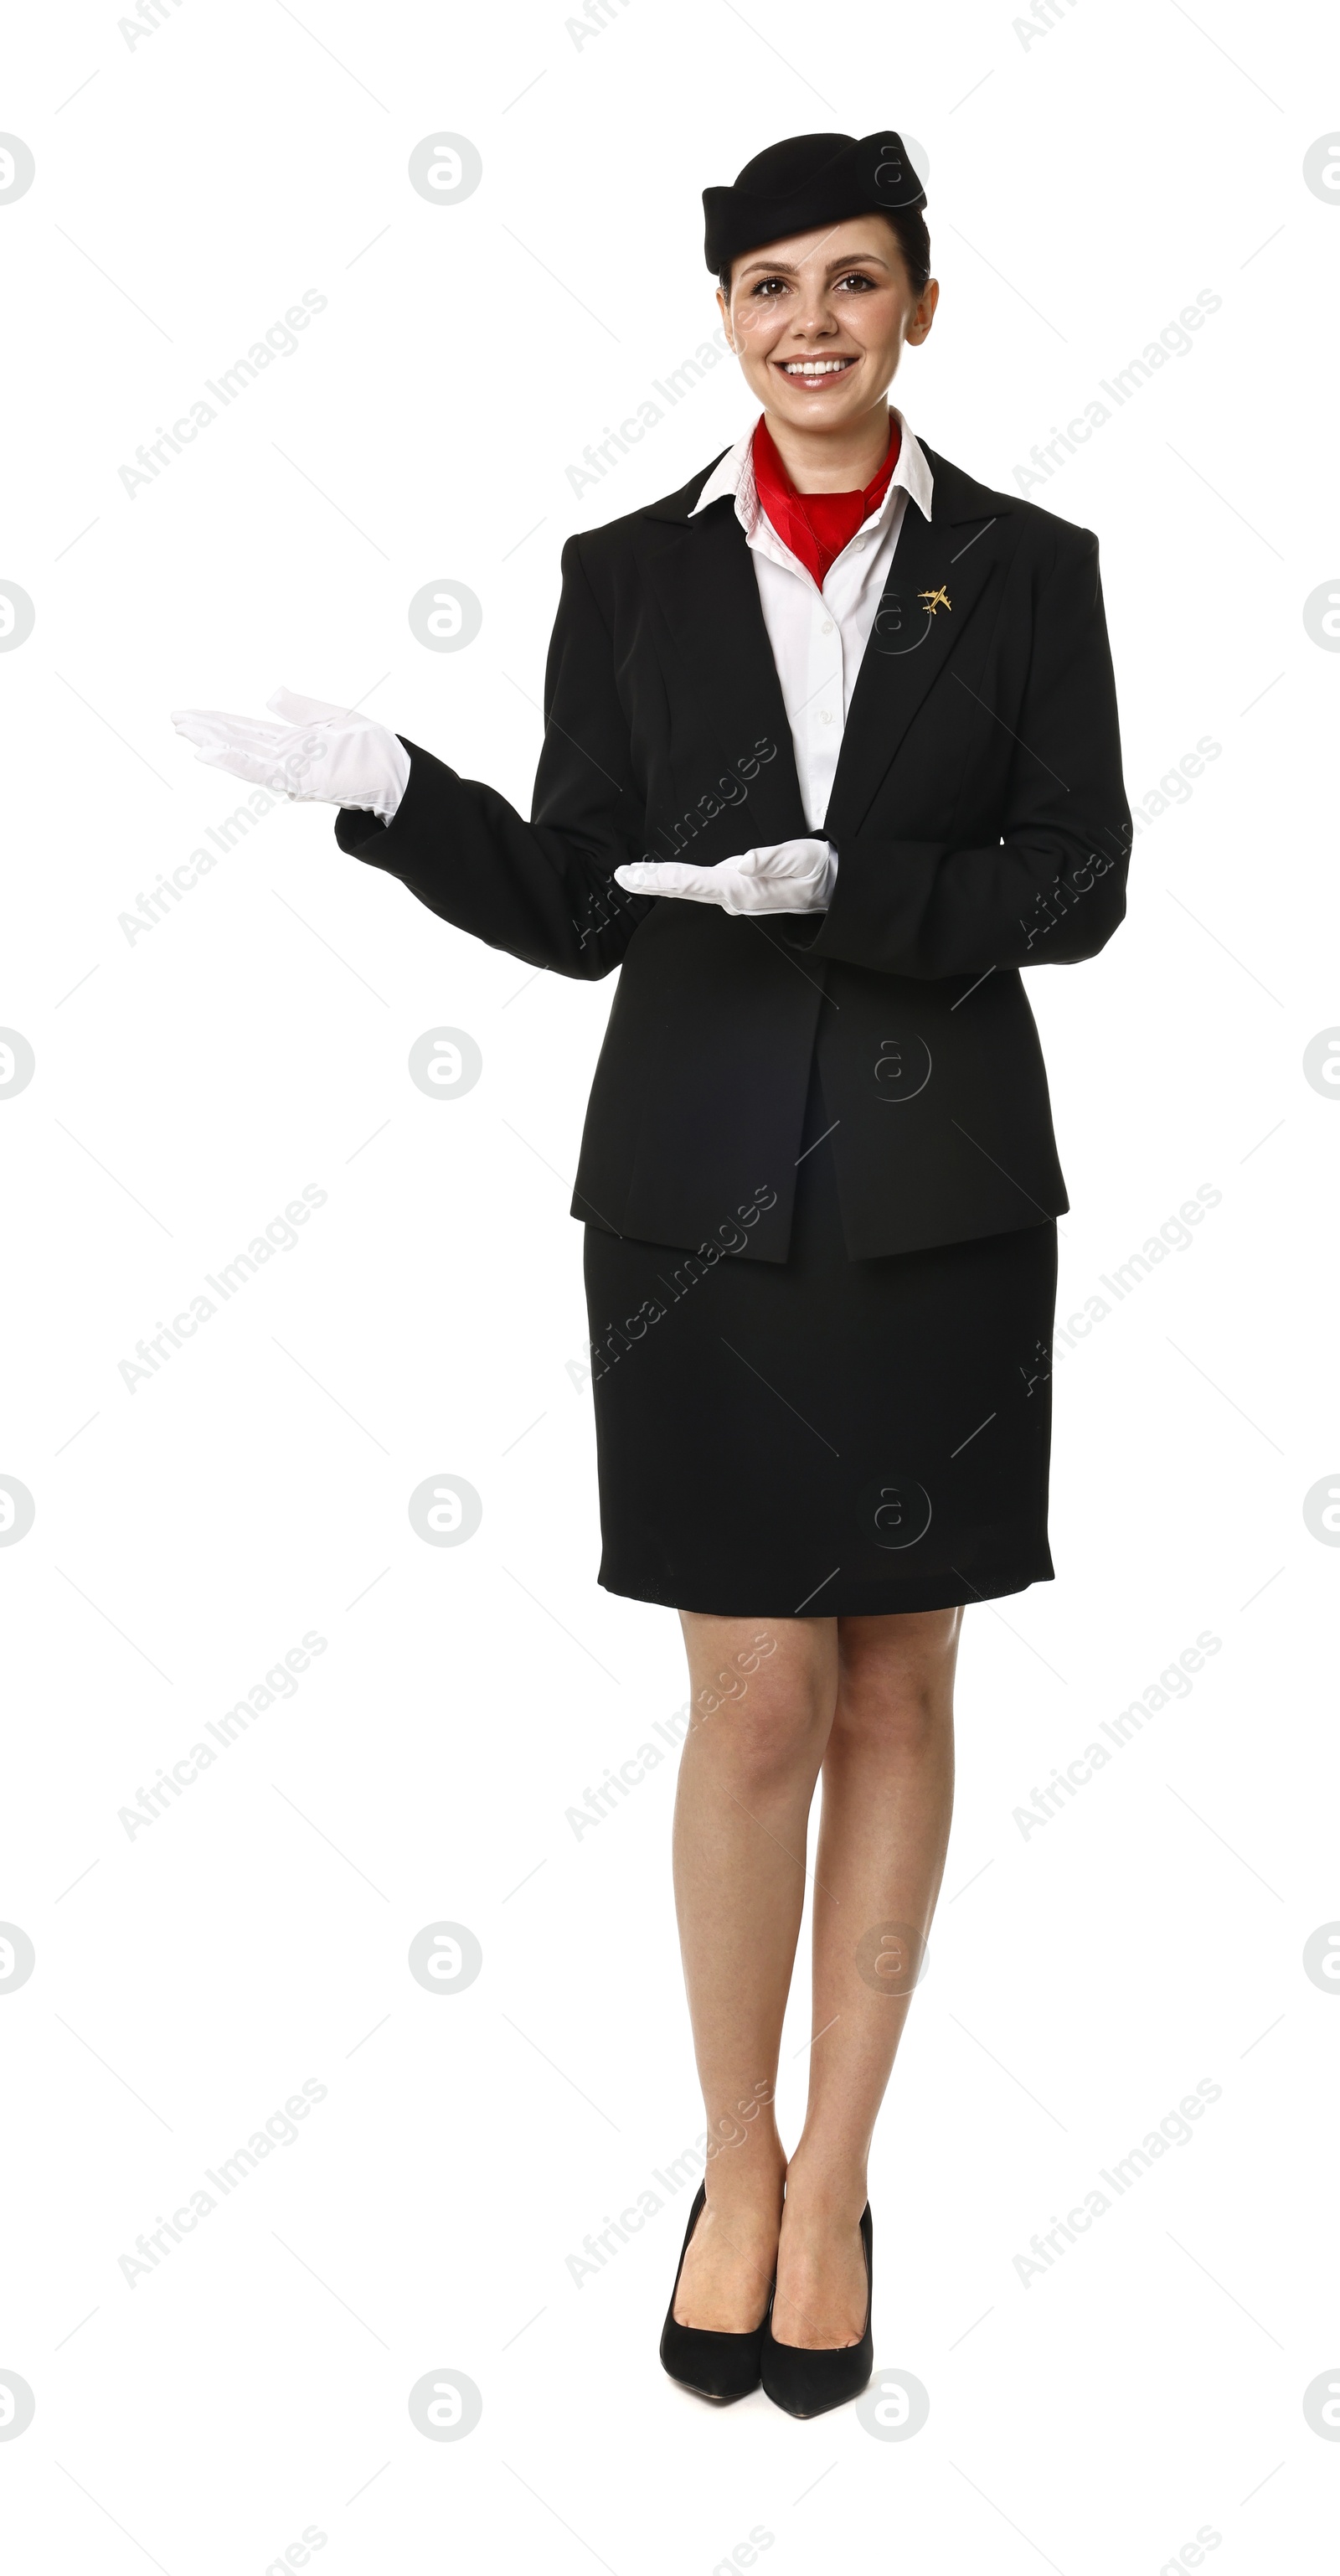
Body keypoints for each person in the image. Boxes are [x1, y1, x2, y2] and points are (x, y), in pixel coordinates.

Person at [173, 127, 1131, 2419]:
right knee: (751, 1706)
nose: (812, 318)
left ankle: (839, 2186)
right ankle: (728, 2161)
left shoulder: (1024, 568)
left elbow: (1080, 877)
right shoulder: (627, 572)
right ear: (725, 312)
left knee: (898, 1689)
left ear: (921, 306)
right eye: (770, 282)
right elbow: (590, 899)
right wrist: (394, 790)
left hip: (940, 1205)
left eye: (857, 278)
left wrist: (863, 891)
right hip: (698, 1205)